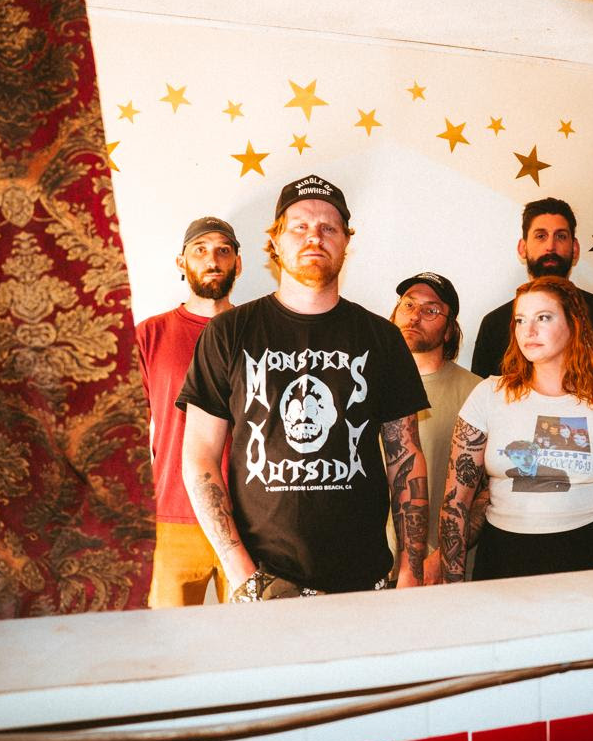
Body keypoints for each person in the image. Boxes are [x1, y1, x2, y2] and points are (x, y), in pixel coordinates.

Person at [177, 175, 430, 600]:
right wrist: (243, 575)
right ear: (275, 241)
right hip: (263, 582)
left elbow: (405, 457)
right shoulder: (228, 333)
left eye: (329, 227)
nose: (315, 237)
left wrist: (411, 567)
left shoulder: (381, 338)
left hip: (364, 581)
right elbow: (199, 456)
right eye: (299, 226)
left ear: (346, 242)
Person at [440, 276, 593, 583]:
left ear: (574, 323)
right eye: (521, 320)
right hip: (505, 559)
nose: (528, 331)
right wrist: (450, 585)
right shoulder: (488, 395)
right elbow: (456, 502)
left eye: (543, 318)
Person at [470, 198, 593, 506]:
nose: (551, 246)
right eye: (540, 235)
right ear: (523, 248)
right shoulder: (496, 324)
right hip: (517, 499)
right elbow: (478, 422)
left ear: (574, 249)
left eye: (560, 236)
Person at [136, 216, 242, 608]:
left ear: (238, 264)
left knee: (254, 636)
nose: (212, 260)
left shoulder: (256, 331)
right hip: (172, 519)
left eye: (223, 251)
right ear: (181, 262)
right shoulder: (150, 335)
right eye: (200, 250)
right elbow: (127, 435)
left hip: (250, 520)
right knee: (169, 638)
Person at [387, 272, 482, 583]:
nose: (415, 316)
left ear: (450, 330)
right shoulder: (362, 385)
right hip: (370, 569)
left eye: (431, 310)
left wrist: (443, 557)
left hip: (440, 573)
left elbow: (491, 491)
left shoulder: (477, 393)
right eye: (408, 305)